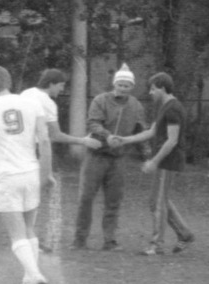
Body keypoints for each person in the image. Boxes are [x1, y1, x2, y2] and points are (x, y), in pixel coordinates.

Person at [0, 64, 55, 284]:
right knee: (29, 228)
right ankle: (29, 283)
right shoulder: (32, 104)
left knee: (17, 234)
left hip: (5, 176)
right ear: (7, 82)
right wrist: (46, 173)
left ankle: (38, 278)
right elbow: (45, 142)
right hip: (31, 173)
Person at [19, 68, 100, 250]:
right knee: (33, 198)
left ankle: (27, 238)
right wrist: (83, 141)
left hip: (18, 152)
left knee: (25, 198)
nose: (61, 90)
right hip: (35, 152)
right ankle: (30, 241)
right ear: (51, 84)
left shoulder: (27, 93)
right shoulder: (48, 103)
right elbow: (54, 135)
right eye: (61, 86)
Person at [74, 65, 153, 251]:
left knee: (113, 201)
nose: (123, 88)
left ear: (132, 87)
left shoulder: (136, 106)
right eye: (120, 84)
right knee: (86, 198)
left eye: (127, 85)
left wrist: (147, 156)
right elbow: (93, 122)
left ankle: (109, 240)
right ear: (114, 83)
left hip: (118, 159)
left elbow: (141, 131)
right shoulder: (100, 100)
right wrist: (107, 136)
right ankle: (79, 239)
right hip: (96, 156)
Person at [138, 71, 196, 256]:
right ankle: (184, 234)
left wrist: (154, 161)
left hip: (168, 161)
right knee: (157, 201)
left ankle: (157, 245)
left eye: (153, 89)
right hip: (165, 161)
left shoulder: (173, 109)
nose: (150, 93)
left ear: (163, 88)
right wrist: (123, 140)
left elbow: (172, 141)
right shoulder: (164, 106)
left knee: (158, 202)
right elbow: (152, 131)